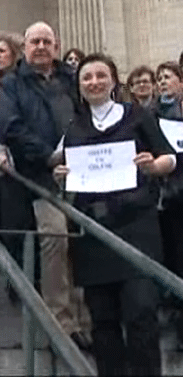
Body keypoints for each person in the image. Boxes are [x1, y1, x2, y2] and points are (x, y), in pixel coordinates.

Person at [54, 53, 175, 376]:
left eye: (100, 75)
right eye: (86, 78)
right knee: (103, 322)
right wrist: (62, 175)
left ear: (113, 81)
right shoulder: (74, 128)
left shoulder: (137, 116)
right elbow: (64, 171)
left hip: (137, 228)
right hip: (93, 233)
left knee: (141, 314)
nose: (94, 82)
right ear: (79, 86)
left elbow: (170, 158)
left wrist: (154, 166)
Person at [0, 21, 90, 349]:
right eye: (35, 41)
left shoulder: (73, 81)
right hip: (38, 177)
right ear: (25, 47)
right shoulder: (11, 85)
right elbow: (9, 127)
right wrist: (48, 156)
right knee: (55, 238)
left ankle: (87, 317)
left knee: (85, 240)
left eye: (47, 41)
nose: (41, 46)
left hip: (83, 172)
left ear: (57, 46)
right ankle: (61, 321)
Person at [154, 61, 183, 343]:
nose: (163, 82)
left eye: (169, 77)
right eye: (159, 78)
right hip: (167, 196)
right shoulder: (152, 113)